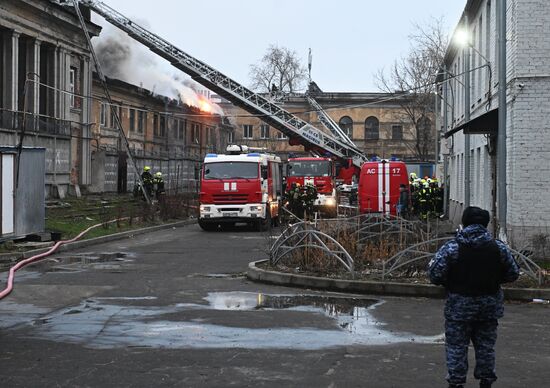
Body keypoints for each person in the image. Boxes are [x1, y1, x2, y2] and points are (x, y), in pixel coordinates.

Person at [428, 206, 520, 388]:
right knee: (486, 347)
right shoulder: (498, 248)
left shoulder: (452, 247)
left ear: (464, 222)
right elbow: (513, 273)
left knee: (456, 347)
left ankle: (456, 382)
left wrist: (451, 281)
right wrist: (494, 279)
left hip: (458, 308)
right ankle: (486, 381)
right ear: (485, 225)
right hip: (489, 307)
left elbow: (435, 275)